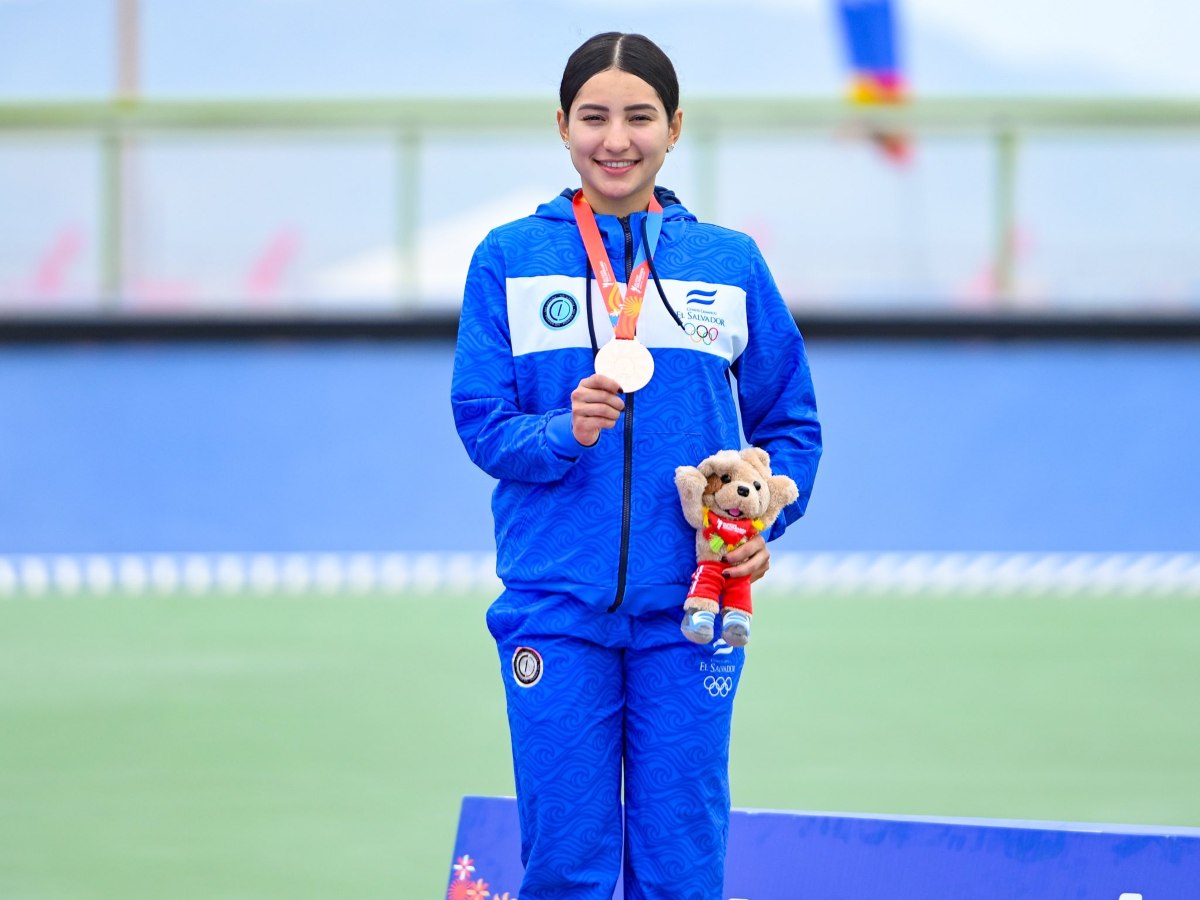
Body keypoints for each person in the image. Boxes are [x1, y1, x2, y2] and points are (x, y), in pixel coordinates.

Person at [451, 31, 821, 900]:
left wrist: (765, 520)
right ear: (562, 126)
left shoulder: (730, 263)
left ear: (675, 127)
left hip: (693, 609)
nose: (616, 140)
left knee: (681, 866)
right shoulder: (508, 257)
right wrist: (561, 432)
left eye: (639, 117)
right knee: (566, 863)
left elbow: (790, 420)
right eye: (594, 117)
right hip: (555, 607)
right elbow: (482, 423)